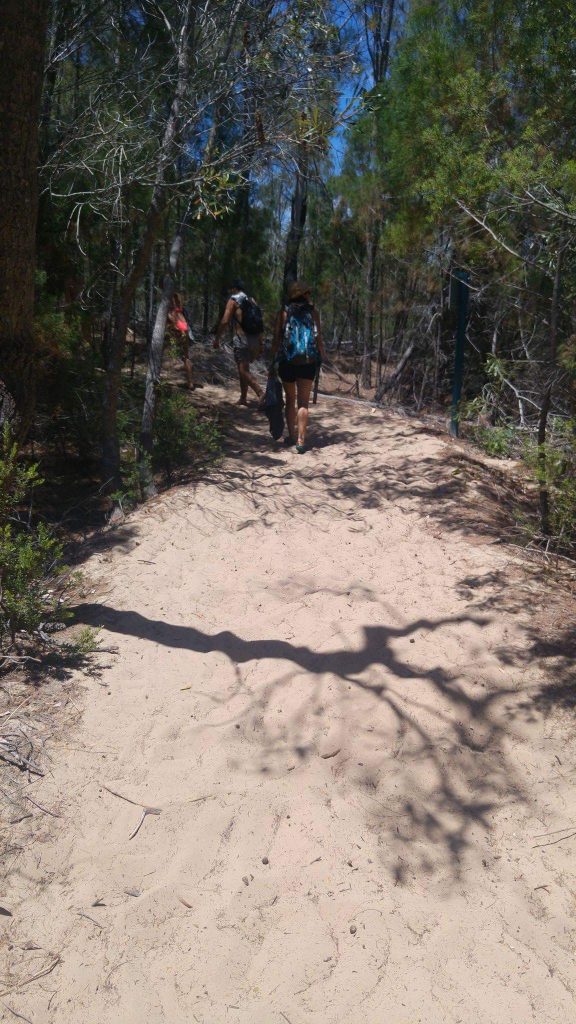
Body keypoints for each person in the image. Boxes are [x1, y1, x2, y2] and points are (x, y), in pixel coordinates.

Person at [271, 281, 325, 453]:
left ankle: (292, 435)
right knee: (303, 402)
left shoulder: (284, 312)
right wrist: (321, 356)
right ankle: (301, 441)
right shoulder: (313, 312)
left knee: (290, 400)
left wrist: (272, 359)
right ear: (304, 295)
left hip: (288, 361)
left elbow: (277, 338)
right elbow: (319, 338)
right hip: (308, 362)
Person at [214, 279, 264, 405]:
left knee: (243, 370)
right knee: (244, 368)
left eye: (231, 289)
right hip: (255, 339)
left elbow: (225, 321)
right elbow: (259, 322)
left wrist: (217, 338)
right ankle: (243, 398)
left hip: (242, 339)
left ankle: (262, 394)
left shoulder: (233, 301)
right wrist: (261, 343)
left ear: (234, 289)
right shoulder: (251, 300)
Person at [167, 292, 194, 390]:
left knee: (184, 357)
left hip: (179, 329)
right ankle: (190, 383)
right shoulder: (180, 308)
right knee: (186, 357)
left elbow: (173, 321)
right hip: (184, 328)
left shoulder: (171, 311)